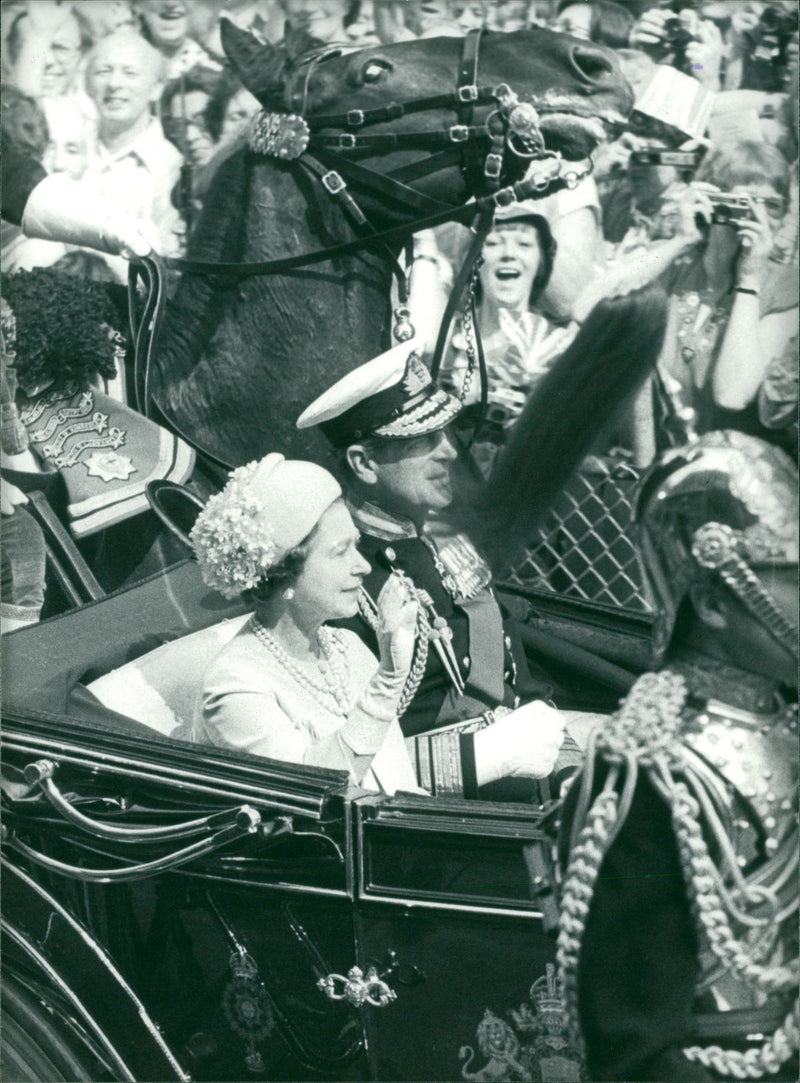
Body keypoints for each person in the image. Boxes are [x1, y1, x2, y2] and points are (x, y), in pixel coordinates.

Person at [557, 428, 799, 1082]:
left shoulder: (785, 722)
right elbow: (636, 1051)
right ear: (716, 603)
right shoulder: (647, 770)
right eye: (795, 579)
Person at [295, 338, 584, 799]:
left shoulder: (444, 537)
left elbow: (520, 686)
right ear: (364, 463)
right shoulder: (340, 576)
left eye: (445, 433)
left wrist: (569, 769)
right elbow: (343, 764)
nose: (448, 452)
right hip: (437, 820)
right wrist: (486, 757)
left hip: (531, 771)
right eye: (423, 440)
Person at [190, 452, 567, 797]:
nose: (363, 566)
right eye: (340, 552)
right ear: (283, 576)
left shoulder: (345, 648)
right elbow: (316, 797)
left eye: (357, 545)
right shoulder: (235, 686)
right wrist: (387, 681)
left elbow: (397, 782)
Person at [81, 28, 184, 277]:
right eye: (103, 71)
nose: (114, 84)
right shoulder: (67, 147)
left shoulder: (172, 168)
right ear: (87, 84)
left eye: (130, 73)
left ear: (157, 88)